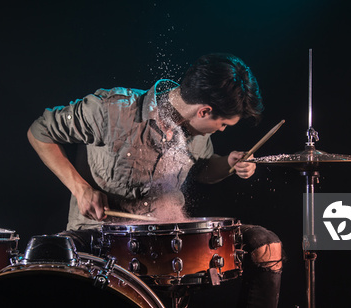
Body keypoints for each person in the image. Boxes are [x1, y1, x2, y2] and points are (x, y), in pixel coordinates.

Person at [27, 53, 283, 308]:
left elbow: (203, 169)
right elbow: (39, 132)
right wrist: (80, 188)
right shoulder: (110, 110)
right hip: (100, 235)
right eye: (224, 124)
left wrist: (228, 163)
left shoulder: (196, 130)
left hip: (164, 239)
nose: (222, 130)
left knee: (265, 243)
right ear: (204, 111)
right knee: (50, 256)